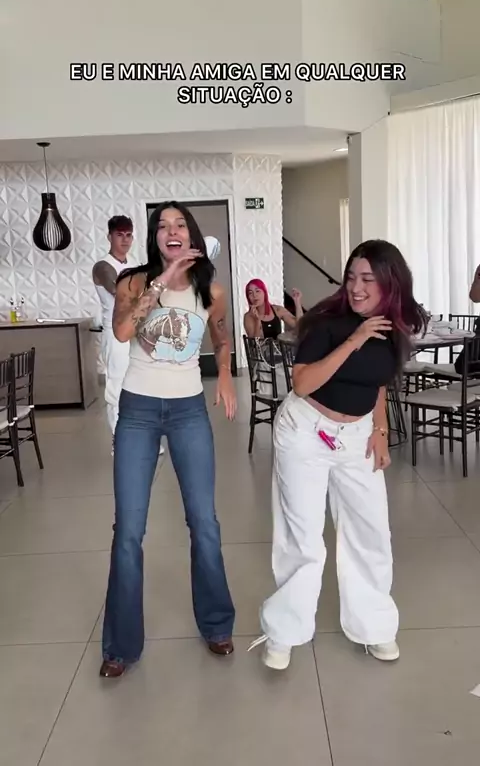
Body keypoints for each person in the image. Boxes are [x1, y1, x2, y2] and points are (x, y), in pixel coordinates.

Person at [249, 240, 427, 671]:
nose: (357, 288)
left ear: (391, 283)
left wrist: (380, 429)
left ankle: (374, 626)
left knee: (371, 530)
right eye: (352, 278)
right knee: (303, 538)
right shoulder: (326, 322)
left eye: (368, 279)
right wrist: (355, 339)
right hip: (306, 431)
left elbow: (379, 381)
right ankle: (284, 632)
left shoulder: (396, 325)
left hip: (357, 435)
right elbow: (303, 384)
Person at [100, 201, 237, 678]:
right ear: (155, 237)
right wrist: (163, 280)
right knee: (128, 529)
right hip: (137, 411)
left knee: (204, 522)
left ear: (191, 234)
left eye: (179, 224)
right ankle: (120, 646)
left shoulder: (211, 290)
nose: (171, 230)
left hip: (188, 412)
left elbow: (220, 336)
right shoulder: (134, 282)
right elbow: (123, 331)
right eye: (162, 225)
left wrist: (225, 373)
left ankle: (217, 624)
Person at [92, 216, 164, 453]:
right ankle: (120, 441)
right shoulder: (103, 267)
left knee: (142, 384)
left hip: (138, 332)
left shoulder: (134, 265)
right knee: (118, 386)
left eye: (128, 235)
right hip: (115, 333)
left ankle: (146, 438)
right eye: (119, 235)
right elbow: (123, 293)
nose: (125, 240)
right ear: (109, 236)